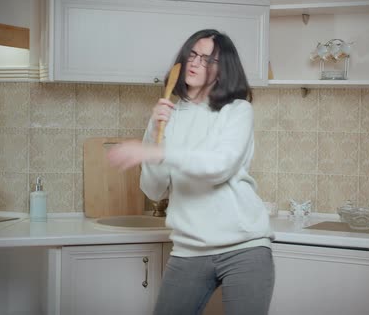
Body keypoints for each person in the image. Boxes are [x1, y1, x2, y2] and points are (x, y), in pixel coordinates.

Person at [107, 29, 275, 315]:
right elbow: (154, 189)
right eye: (193, 55)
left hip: (244, 248)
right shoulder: (169, 116)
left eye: (208, 59)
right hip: (189, 250)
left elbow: (219, 167)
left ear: (222, 71)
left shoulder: (237, 111)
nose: (196, 62)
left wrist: (157, 152)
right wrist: (153, 130)